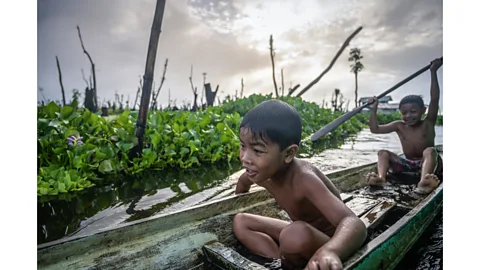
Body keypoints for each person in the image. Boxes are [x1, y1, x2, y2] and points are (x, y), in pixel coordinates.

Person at [232, 99, 367, 270]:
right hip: (297, 235)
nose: (245, 158)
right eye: (243, 146)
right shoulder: (262, 173)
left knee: (294, 234)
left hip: (329, 240)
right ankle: (277, 261)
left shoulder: (304, 179)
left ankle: (307, 259)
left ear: (289, 153)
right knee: (241, 221)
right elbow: (243, 182)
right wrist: (238, 198)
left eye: (257, 151)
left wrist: (330, 251)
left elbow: (354, 223)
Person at [365, 58, 443, 194]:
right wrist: (373, 109)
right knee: (382, 153)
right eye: (404, 113)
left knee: (430, 151)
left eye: (413, 111)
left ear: (423, 110)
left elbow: (434, 99)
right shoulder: (399, 125)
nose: (408, 116)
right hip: (409, 164)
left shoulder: (428, 122)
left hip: (429, 165)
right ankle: (381, 178)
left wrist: (433, 72)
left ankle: (423, 182)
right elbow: (375, 129)